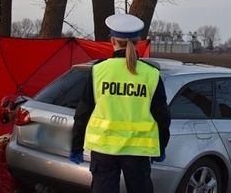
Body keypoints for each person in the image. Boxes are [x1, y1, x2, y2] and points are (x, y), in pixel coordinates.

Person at [70, 14, 171, 193]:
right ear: (138, 42)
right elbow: (162, 117)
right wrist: (161, 146)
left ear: (112, 41)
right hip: (138, 151)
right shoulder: (151, 74)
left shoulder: (99, 71)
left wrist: (76, 146)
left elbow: (83, 112)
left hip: (103, 149)